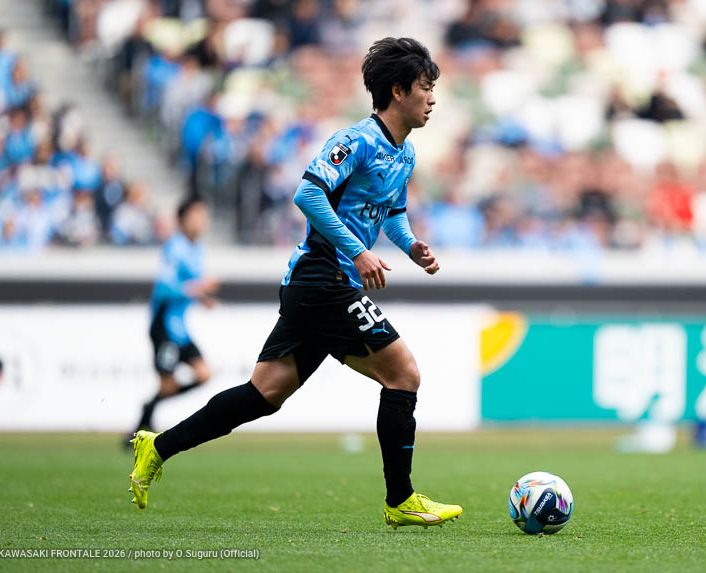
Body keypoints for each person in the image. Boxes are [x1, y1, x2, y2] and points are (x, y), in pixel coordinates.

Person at [128, 37, 463, 529]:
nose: (432, 98)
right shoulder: (355, 141)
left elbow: (391, 213)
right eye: (425, 88)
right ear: (398, 91)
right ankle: (401, 499)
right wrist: (357, 250)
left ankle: (157, 447)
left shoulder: (405, 153)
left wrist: (410, 244)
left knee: (263, 394)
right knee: (404, 374)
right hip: (324, 278)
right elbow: (308, 195)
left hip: (323, 285)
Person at [128, 196, 218, 440]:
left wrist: (203, 298)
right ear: (183, 219)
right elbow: (164, 287)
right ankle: (142, 426)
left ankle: (147, 412)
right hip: (164, 327)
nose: (201, 221)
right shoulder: (175, 247)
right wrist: (198, 288)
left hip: (180, 330)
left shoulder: (198, 249)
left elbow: (188, 286)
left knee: (204, 374)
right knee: (167, 386)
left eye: (203, 216)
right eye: (196, 215)